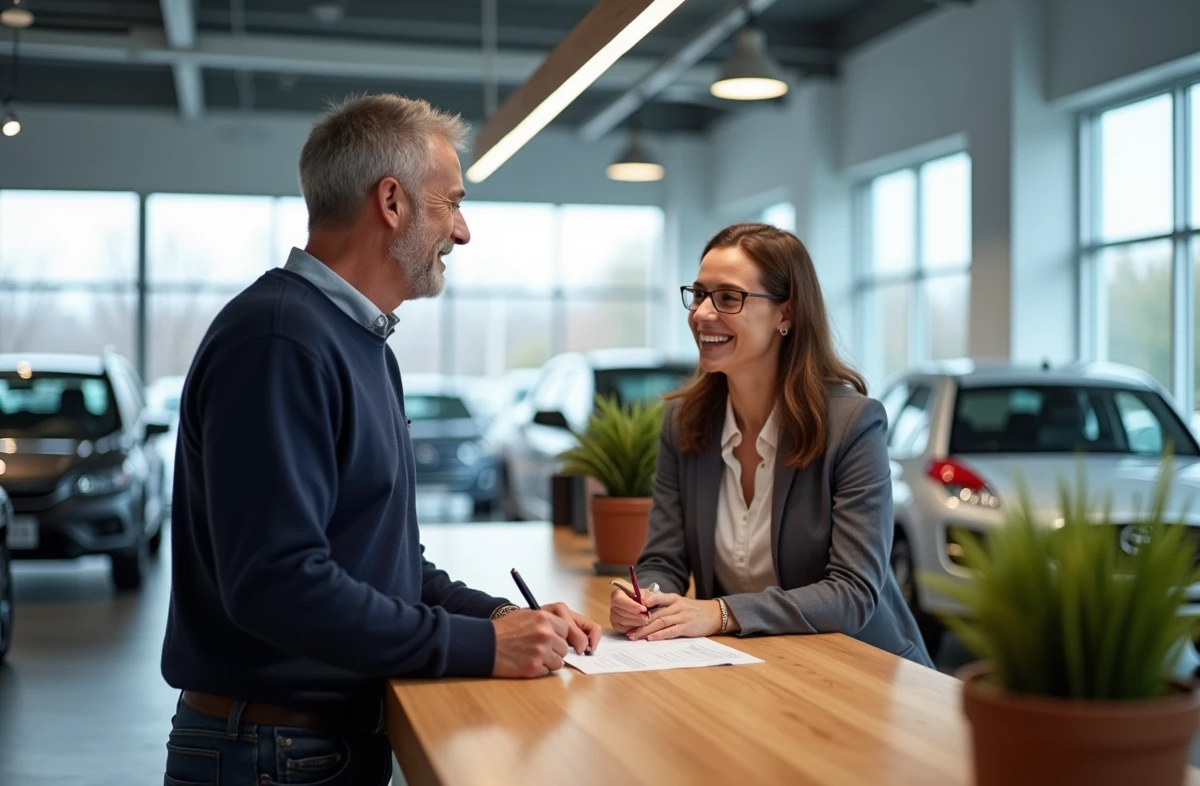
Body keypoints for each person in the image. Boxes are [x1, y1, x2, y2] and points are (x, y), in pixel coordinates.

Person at [160, 94, 601, 786]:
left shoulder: (359, 344)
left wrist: (505, 620)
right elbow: (277, 585)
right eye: (451, 203)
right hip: (271, 754)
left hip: (315, 746)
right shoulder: (280, 341)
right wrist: (479, 645)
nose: (463, 231)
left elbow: (385, 565)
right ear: (391, 202)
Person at [610, 222, 933, 667]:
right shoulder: (684, 423)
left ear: (786, 314)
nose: (702, 314)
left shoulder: (852, 424)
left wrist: (721, 613)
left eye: (727, 297)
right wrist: (645, 596)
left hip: (863, 670)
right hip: (752, 668)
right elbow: (664, 558)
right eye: (699, 294)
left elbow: (853, 593)